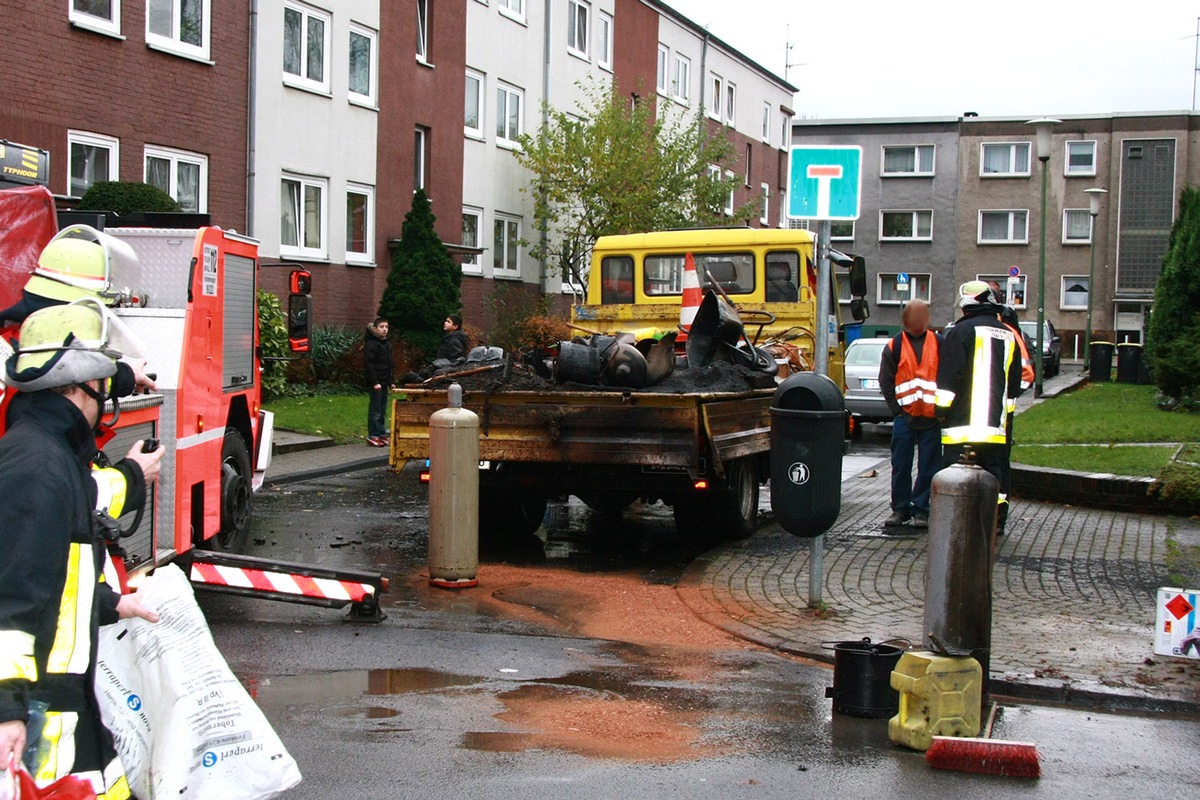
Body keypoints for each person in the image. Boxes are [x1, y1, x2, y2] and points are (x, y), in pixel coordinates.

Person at [0, 302, 164, 800]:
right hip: (36, 711)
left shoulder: (49, 453)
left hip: (62, 702)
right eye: (99, 384)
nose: (104, 398)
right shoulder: (38, 466)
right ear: (75, 388)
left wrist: (112, 603)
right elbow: (11, 601)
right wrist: (7, 709)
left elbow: (55, 580)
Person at [935, 280, 1023, 536]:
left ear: (966, 305)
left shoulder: (959, 332)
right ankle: (995, 521)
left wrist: (940, 412)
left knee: (956, 475)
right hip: (996, 427)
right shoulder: (1008, 334)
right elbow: (1015, 382)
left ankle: (959, 520)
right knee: (996, 475)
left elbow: (949, 380)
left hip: (961, 426)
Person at [879, 299, 942, 529]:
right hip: (904, 418)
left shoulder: (939, 343)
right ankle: (901, 509)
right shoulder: (894, 346)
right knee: (901, 466)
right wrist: (897, 411)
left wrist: (941, 412)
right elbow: (886, 380)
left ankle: (921, 510)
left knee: (928, 467)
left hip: (931, 418)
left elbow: (946, 378)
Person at [364, 317, 393, 448]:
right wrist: (374, 381)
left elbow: (389, 364)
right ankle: (373, 435)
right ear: (375, 328)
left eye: (386, 327)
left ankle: (381, 433)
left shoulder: (386, 344)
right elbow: (369, 364)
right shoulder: (371, 344)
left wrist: (390, 381)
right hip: (377, 382)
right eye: (382, 327)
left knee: (382, 409)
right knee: (375, 409)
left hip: (384, 381)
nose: (385, 329)